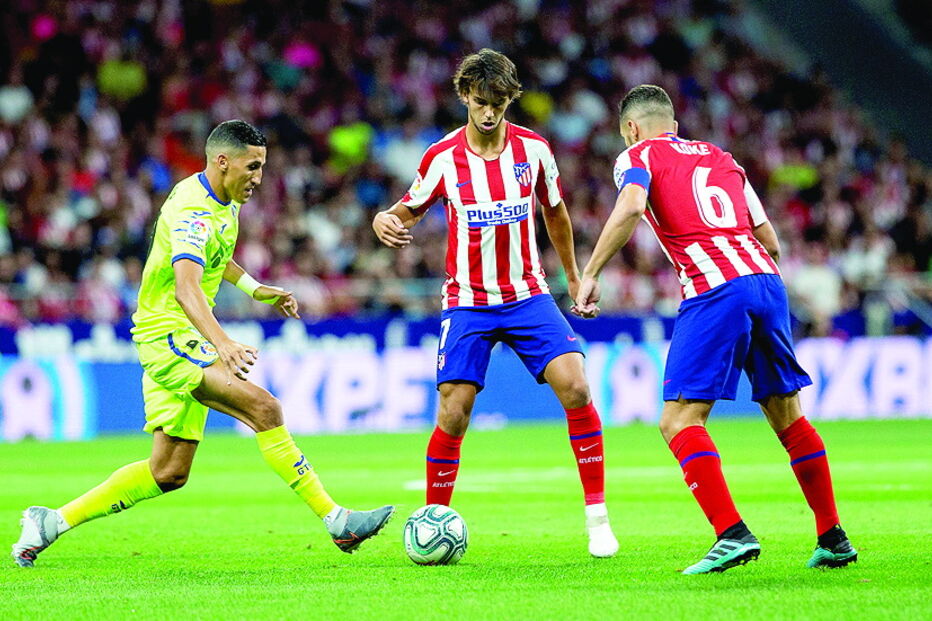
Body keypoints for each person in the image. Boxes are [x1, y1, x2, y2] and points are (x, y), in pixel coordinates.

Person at [12, 120, 393, 568]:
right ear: (222, 161)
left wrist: (255, 288)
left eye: (263, 167)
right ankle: (337, 521)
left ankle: (49, 522)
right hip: (167, 335)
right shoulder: (193, 210)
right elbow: (186, 289)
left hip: (180, 335)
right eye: (253, 167)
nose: (259, 178)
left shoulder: (221, 200)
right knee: (264, 408)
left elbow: (216, 256)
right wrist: (224, 343)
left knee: (169, 472)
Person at [575, 85, 857, 574]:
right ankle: (832, 537)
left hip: (714, 288)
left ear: (630, 128)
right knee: (786, 413)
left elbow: (633, 206)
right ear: (676, 126)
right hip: (767, 283)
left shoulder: (637, 154)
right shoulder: (722, 157)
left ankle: (731, 533)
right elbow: (769, 238)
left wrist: (592, 271)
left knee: (679, 420)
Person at [372, 49, 618, 558]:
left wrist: (573, 279)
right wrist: (383, 219)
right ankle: (433, 517)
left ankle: (597, 518)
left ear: (510, 102)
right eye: (481, 102)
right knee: (454, 411)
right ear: (465, 96)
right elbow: (407, 209)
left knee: (575, 386)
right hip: (468, 302)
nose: (489, 113)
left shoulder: (535, 151)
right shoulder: (442, 156)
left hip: (528, 295)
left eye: (499, 105)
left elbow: (556, 216)